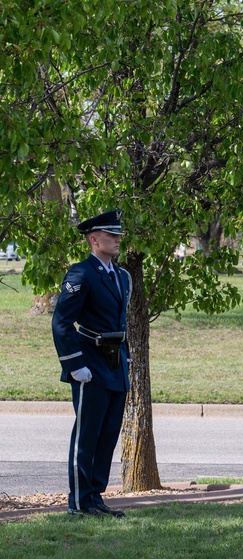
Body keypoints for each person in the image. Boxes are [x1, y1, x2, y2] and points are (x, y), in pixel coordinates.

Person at [51, 210, 131, 518]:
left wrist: (127, 357)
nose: (117, 240)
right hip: (90, 364)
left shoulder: (122, 276)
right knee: (87, 435)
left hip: (116, 362)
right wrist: (74, 364)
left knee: (108, 433)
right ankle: (80, 502)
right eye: (111, 236)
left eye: (118, 236)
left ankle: (95, 497)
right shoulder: (81, 273)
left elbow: (120, 320)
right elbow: (61, 323)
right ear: (93, 239)